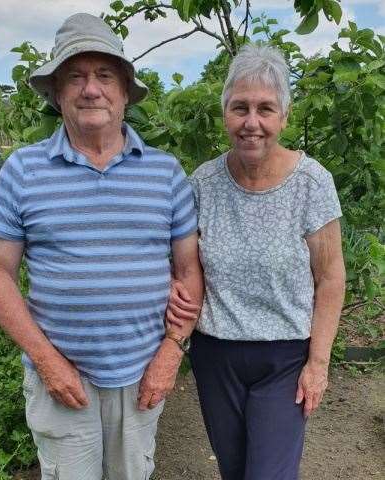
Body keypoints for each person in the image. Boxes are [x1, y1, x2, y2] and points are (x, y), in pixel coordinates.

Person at [0, 13, 203, 480]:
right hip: (59, 375)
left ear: (125, 91)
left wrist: (170, 354)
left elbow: (188, 272)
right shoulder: (23, 170)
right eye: (75, 77)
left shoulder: (166, 173)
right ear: (57, 93)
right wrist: (46, 360)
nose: (90, 89)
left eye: (105, 75)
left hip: (143, 373)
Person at [167, 43, 346, 480]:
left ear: (283, 117)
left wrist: (318, 364)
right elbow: (186, 266)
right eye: (239, 108)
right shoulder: (203, 183)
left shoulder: (311, 183)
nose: (252, 122)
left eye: (266, 109)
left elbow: (331, 277)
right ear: (224, 113)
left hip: (285, 358)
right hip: (216, 355)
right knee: (235, 470)